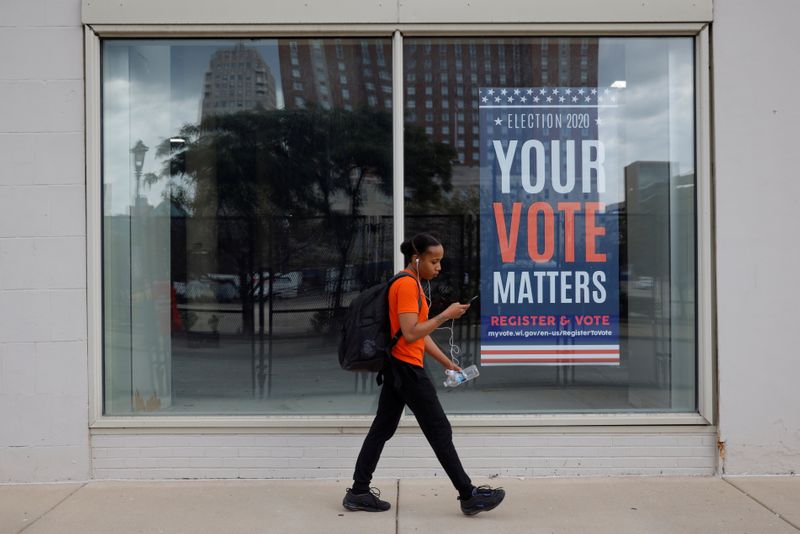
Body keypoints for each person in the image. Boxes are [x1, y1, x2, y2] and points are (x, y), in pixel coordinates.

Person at [343, 233, 505, 516]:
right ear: (417, 259)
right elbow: (410, 333)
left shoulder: (410, 283)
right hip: (406, 369)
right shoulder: (406, 286)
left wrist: (446, 362)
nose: (438, 266)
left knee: (382, 428)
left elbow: (420, 334)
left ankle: (358, 491)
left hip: (399, 367)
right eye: (434, 261)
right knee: (439, 429)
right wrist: (445, 315)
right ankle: (469, 495)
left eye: (440, 261)